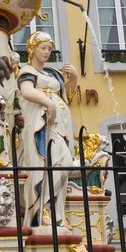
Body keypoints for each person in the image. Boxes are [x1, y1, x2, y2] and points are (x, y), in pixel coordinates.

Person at [17, 31, 78, 229]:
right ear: (32, 49)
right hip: (41, 125)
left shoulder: (53, 74)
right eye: (43, 48)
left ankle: (53, 211)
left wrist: (74, 78)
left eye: (50, 49)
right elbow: (26, 91)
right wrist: (47, 103)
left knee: (64, 163)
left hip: (60, 125)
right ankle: (40, 208)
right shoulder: (26, 71)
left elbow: (67, 95)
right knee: (47, 165)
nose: (47, 52)